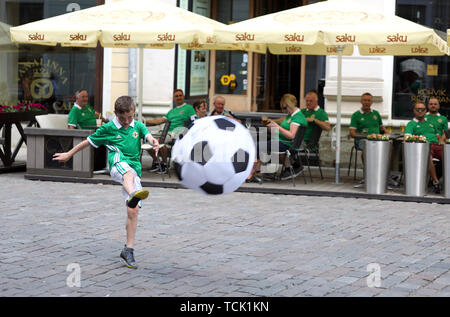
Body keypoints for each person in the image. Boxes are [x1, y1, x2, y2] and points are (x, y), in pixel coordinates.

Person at [53, 96, 160, 269]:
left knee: (132, 211)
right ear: (116, 114)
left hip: (135, 167)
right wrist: (68, 154)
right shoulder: (109, 128)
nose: (126, 121)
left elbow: (148, 136)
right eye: (122, 118)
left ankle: (128, 249)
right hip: (118, 163)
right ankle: (133, 194)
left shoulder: (137, 125)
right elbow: (87, 142)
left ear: (133, 112)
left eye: (129, 117)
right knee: (128, 176)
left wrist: (153, 141)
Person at [247, 93, 307, 182]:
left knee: (256, 146)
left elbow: (291, 135)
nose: (284, 110)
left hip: (286, 144)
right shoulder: (293, 115)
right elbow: (284, 127)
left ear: (290, 105)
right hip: (282, 141)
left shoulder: (297, 118)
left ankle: (252, 173)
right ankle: (257, 171)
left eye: (285, 108)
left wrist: (277, 127)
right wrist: (272, 126)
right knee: (260, 144)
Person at [144, 89, 196, 172]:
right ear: (174, 98)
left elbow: (194, 121)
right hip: (166, 132)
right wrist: (144, 122)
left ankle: (164, 164)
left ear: (183, 96)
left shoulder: (189, 108)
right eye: (176, 96)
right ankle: (157, 161)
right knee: (146, 140)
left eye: (180, 95)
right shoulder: (171, 111)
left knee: (161, 141)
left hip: (178, 132)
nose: (178, 97)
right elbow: (160, 121)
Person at [403, 101, 443, 194]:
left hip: (437, 145)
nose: (420, 111)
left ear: (426, 111)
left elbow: (439, 137)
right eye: (418, 109)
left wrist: (443, 143)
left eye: (422, 109)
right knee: (427, 155)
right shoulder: (411, 124)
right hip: (423, 147)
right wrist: (420, 140)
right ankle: (435, 181)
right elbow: (406, 138)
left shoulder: (431, 123)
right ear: (414, 111)